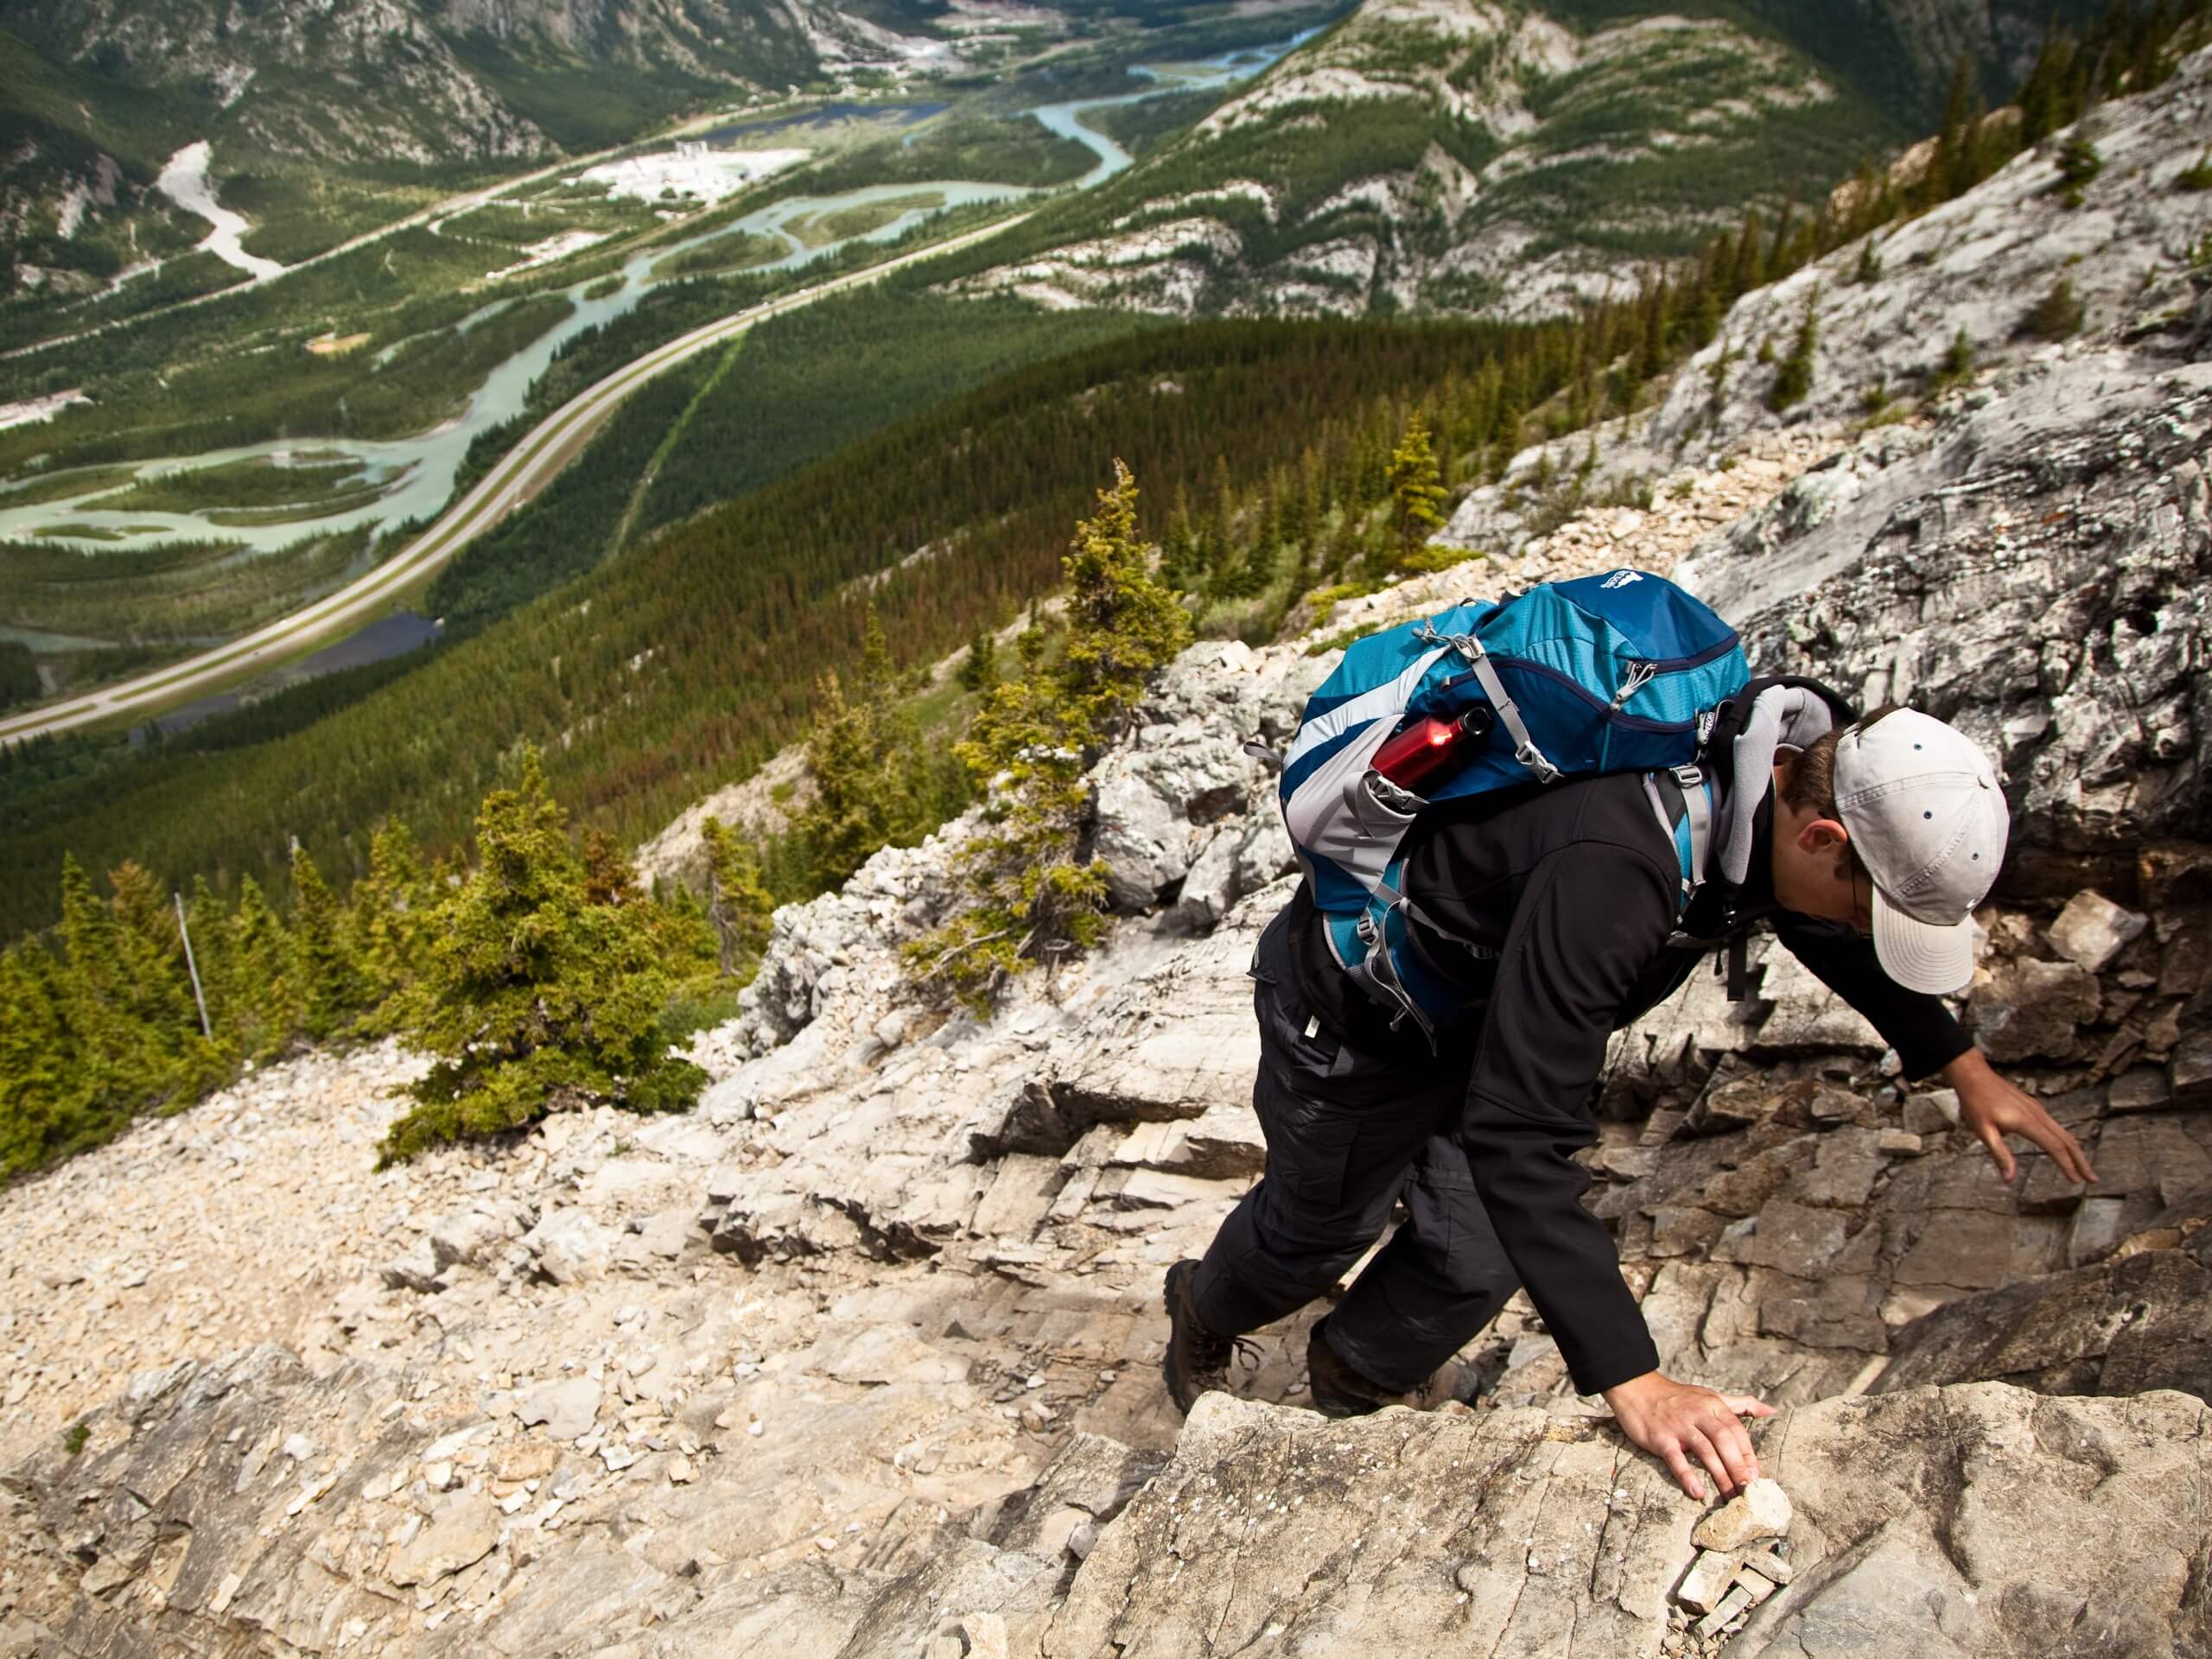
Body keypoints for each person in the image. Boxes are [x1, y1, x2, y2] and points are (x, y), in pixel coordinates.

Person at [1161, 690, 2098, 1503]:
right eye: (1866, 905)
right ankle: (1204, 1310)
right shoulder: (1619, 866)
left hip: (1491, 1019)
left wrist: (1955, 1061)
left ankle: (1349, 1384)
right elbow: (1520, 1139)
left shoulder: (1777, 785)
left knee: (1479, 1253)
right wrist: (1633, 1378)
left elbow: (1814, 916)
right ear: (1823, 837)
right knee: (1315, 1231)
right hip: (1357, 1026)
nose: (1854, 926)